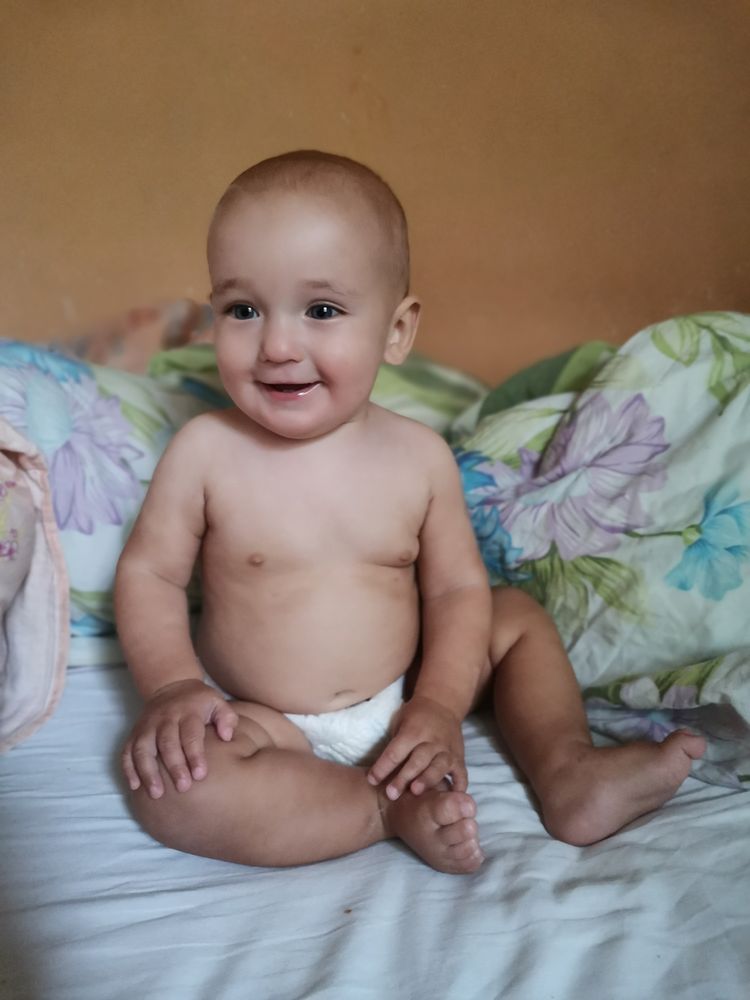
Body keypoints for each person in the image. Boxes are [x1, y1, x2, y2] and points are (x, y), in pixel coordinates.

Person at [115, 150, 705, 874]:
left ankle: (567, 769)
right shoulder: (205, 451)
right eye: (243, 310)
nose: (276, 346)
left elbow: (454, 591)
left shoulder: (419, 458)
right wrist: (174, 687)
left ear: (396, 331)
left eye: (321, 310)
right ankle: (381, 807)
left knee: (514, 616)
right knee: (171, 787)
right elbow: (150, 574)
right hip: (267, 720)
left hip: (409, 689)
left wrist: (438, 705)